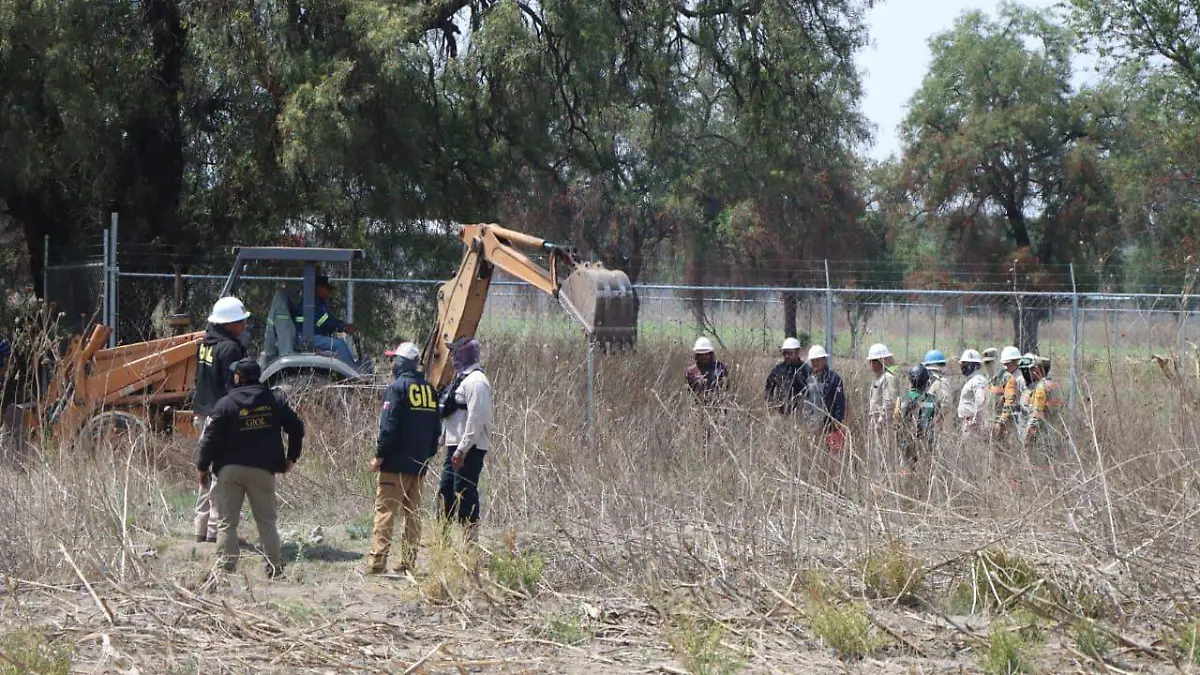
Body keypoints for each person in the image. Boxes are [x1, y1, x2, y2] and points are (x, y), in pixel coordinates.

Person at [196, 358, 305, 578]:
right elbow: (297, 428)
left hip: (229, 471)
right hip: (263, 471)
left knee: (227, 523)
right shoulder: (274, 401)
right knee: (266, 522)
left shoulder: (225, 404)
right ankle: (274, 569)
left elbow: (210, 438)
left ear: (239, 377)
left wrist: (202, 466)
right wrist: (291, 457)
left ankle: (225, 570)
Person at [367, 342, 442, 575]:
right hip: (419, 466)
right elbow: (436, 430)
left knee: (386, 512)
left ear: (400, 363)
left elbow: (388, 427)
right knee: (413, 514)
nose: (391, 363)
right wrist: (426, 456)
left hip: (395, 464)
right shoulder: (430, 390)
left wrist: (380, 456)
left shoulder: (397, 388)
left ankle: (377, 562)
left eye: (393, 359)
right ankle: (408, 563)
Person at [193, 296, 250, 544]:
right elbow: (234, 389)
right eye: (240, 321)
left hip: (203, 414)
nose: (244, 326)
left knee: (205, 471)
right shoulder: (231, 349)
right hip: (221, 417)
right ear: (228, 323)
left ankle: (201, 527)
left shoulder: (205, 344)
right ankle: (217, 532)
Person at [438, 338, 493, 540]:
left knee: (465, 493)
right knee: (446, 491)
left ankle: (470, 543)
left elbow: (476, 420)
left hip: (469, 448)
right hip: (455, 446)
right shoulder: (462, 378)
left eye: (455, 353)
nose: (452, 358)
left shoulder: (477, 382)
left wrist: (463, 449)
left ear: (464, 354)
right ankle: (441, 541)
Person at [294, 274, 357, 368]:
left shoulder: (319, 302)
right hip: (306, 338)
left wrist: (342, 325)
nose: (329, 292)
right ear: (319, 288)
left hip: (312, 336)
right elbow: (326, 321)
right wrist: (343, 327)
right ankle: (354, 372)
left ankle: (352, 367)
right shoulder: (311, 302)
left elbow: (328, 320)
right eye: (327, 289)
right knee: (339, 345)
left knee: (339, 342)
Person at [802, 345, 847, 450]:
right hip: (812, 426)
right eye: (813, 361)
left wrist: (836, 424)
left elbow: (840, 403)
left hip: (830, 427)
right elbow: (806, 402)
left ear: (824, 360)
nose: (815, 364)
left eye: (818, 360)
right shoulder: (809, 379)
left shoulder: (834, 379)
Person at [896, 364, 939, 468]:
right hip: (926, 445)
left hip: (906, 444)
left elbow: (896, 420)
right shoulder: (933, 400)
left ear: (910, 381)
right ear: (926, 382)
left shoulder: (901, 400)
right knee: (925, 473)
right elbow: (938, 422)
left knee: (906, 471)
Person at [1022, 356, 1063, 464]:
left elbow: (1037, 414)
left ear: (1037, 369)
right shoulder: (1054, 385)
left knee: (1039, 466)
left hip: (1041, 436)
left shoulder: (1041, 388)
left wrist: (1027, 436)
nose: (1030, 372)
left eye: (1032, 369)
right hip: (1055, 431)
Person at [989, 346, 1027, 441]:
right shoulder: (1006, 377)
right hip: (1008, 416)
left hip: (1019, 417)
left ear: (1015, 362)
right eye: (1005, 363)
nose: (1006, 366)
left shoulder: (1021, 379)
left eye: (1008, 363)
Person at [867, 343, 899, 452]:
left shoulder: (888, 378)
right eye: (871, 361)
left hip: (885, 425)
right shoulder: (878, 378)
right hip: (876, 423)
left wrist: (881, 421)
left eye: (875, 361)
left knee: (884, 454)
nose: (871, 364)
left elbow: (890, 401)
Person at [764, 337, 809, 414]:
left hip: (800, 413)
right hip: (781, 412)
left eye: (790, 353)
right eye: (785, 353)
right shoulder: (778, 369)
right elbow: (768, 387)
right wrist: (770, 403)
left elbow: (813, 391)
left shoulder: (805, 369)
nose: (787, 356)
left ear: (797, 352)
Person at [685, 337, 729, 404]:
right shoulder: (691, 371)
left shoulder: (720, 368)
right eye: (701, 354)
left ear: (711, 354)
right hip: (698, 407)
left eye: (706, 354)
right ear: (697, 355)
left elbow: (726, 387)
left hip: (718, 406)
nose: (704, 357)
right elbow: (689, 392)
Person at [957, 349, 988, 434]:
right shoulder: (972, 379)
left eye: (964, 364)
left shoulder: (978, 380)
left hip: (972, 425)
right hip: (968, 422)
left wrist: (975, 421)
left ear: (972, 365)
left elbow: (981, 402)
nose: (962, 367)